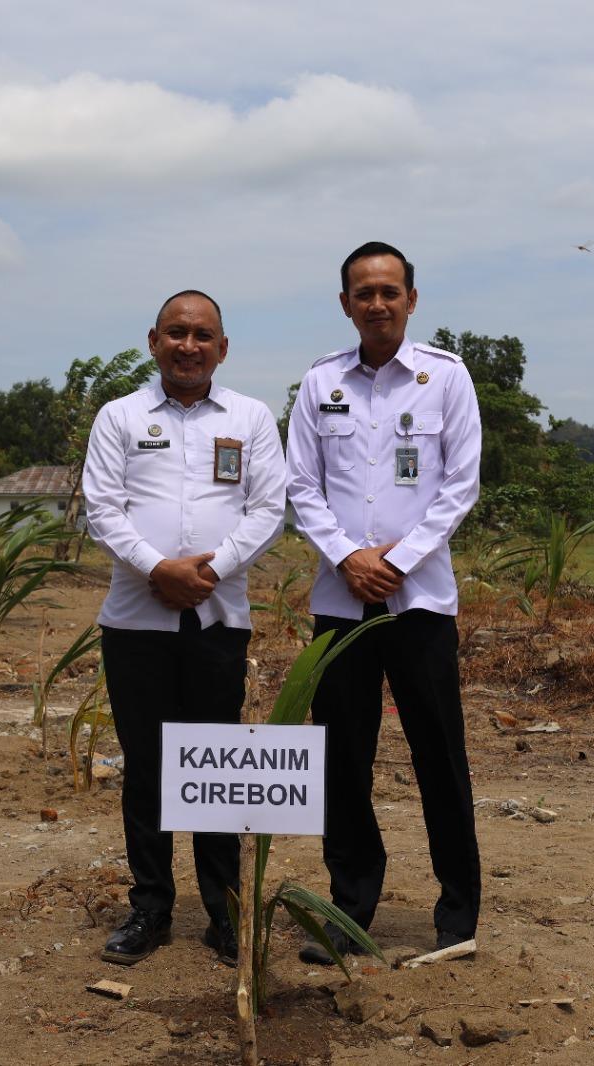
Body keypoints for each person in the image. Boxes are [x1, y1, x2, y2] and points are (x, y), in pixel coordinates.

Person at [284, 242, 483, 961]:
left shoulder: (446, 378)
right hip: (341, 605)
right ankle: (349, 911)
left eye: (389, 291)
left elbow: (459, 486)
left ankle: (458, 912)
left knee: (439, 754)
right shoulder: (320, 383)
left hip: (420, 602)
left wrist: (394, 562)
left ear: (411, 299)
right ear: (345, 304)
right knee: (342, 759)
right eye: (363, 293)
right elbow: (301, 485)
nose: (377, 303)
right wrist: (347, 557)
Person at [82, 290, 286, 966]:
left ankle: (223, 911)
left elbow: (267, 510)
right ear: (153, 341)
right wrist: (156, 569)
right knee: (146, 768)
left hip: (218, 619)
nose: (188, 346)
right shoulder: (120, 417)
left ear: (222, 348)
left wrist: (207, 573)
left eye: (202, 335)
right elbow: (103, 508)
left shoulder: (251, 418)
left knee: (218, 766)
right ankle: (151, 908)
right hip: (135, 621)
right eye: (176, 333)